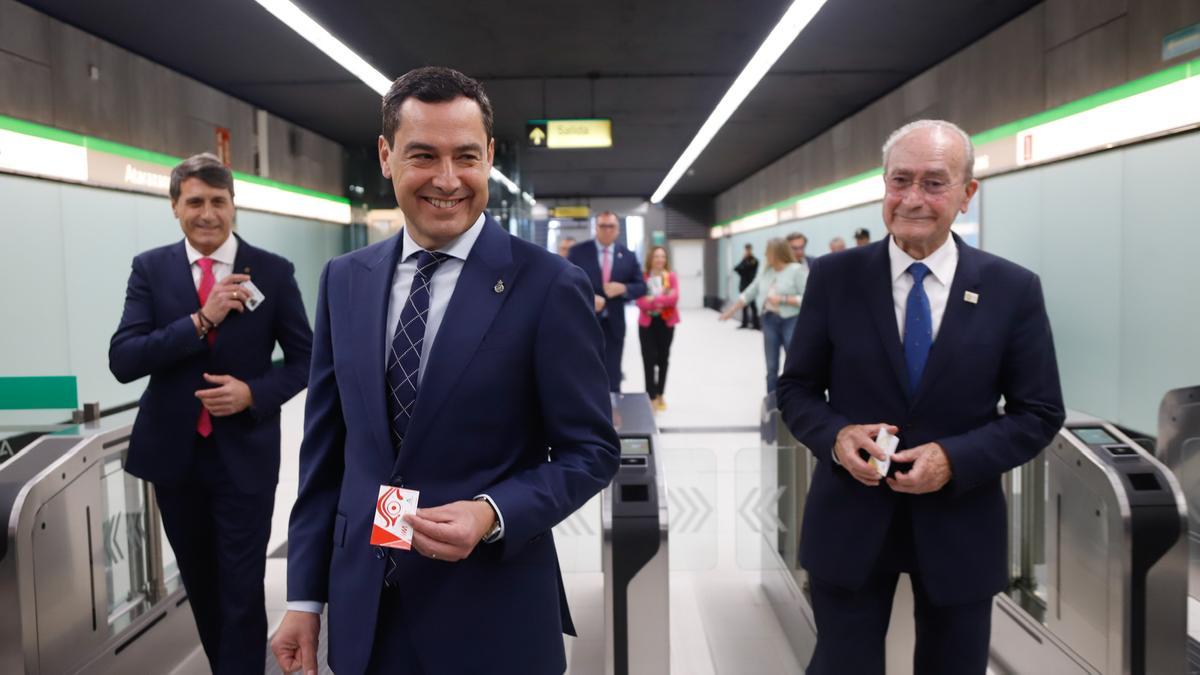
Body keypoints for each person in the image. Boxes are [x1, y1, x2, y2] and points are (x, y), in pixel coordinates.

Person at [271, 67, 620, 675]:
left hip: (491, 612)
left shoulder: (547, 286)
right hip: (368, 614)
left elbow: (590, 449)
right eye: (423, 156)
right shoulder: (345, 281)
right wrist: (305, 597)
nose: (447, 179)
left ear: (488, 155)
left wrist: (491, 511)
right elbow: (326, 455)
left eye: (465, 156)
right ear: (386, 157)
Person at [777, 120, 1065, 675]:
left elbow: (1039, 412)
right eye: (899, 180)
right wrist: (836, 437)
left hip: (959, 525)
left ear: (966, 194)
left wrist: (954, 459)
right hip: (850, 521)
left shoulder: (1011, 289)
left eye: (934, 183)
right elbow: (796, 389)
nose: (912, 198)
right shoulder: (835, 278)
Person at [108, 153, 313, 672]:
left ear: (233, 207)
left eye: (218, 201)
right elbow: (124, 359)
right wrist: (200, 320)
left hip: (244, 454)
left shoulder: (271, 271)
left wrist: (253, 393)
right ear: (174, 206)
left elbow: (308, 360)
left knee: (242, 587)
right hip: (174, 458)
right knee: (201, 582)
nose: (207, 213)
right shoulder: (150, 270)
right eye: (194, 201)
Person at [567, 211, 646, 392]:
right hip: (585, 322)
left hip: (614, 323)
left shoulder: (628, 256)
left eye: (611, 226)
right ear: (596, 228)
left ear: (618, 230)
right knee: (584, 369)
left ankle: (611, 413)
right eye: (603, 226)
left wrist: (624, 289)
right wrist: (588, 297)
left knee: (613, 371)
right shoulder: (578, 252)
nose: (607, 230)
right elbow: (566, 284)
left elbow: (641, 286)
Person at [718, 238, 806, 394]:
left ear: (776, 253)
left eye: (768, 251)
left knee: (794, 363)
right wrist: (731, 310)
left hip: (791, 320)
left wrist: (783, 299)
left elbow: (807, 297)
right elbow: (750, 292)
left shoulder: (796, 270)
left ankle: (795, 398)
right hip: (769, 320)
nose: (765, 254)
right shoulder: (766, 271)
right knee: (771, 366)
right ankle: (772, 401)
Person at [635, 246, 679, 412]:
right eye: (656, 257)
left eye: (663, 256)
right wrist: (662, 299)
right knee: (648, 360)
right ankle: (651, 396)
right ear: (650, 259)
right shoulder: (643, 277)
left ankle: (660, 393)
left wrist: (653, 300)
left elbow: (674, 299)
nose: (660, 260)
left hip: (666, 323)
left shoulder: (671, 277)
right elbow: (640, 301)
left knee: (663, 359)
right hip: (647, 324)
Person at [733, 243, 760, 329]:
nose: (747, 251)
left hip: (750, 286)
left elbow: (746, 269)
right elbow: (736, 268)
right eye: (746, 250)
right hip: (743, 286)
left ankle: (756, 324)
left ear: (751, 250)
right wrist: (743, 260)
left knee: (753, 306)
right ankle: (744, 323)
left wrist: (743, 268)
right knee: (744, 305)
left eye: (748, 250)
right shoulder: (744, 260)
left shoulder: (754, 260)